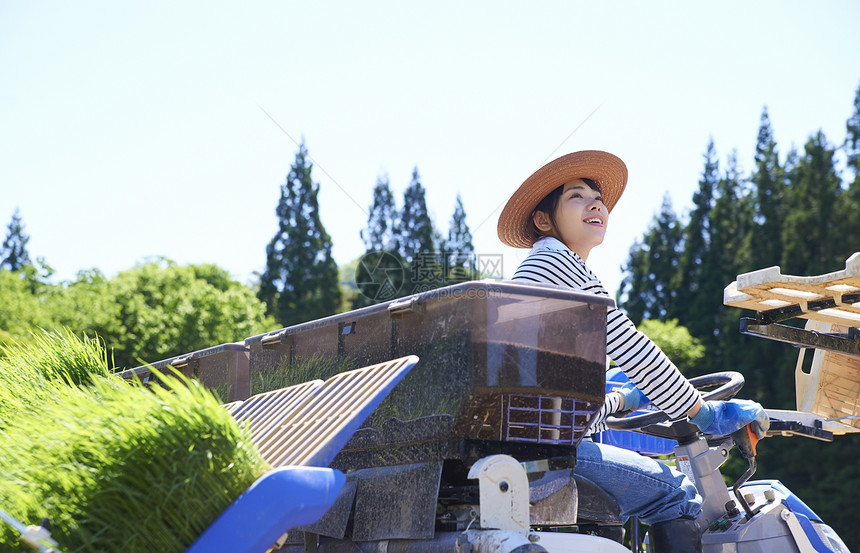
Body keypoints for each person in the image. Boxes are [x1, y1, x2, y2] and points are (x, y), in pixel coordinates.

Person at [496, 150, 769, 553]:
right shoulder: (558, 264)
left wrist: (620, 398)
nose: (596, 204)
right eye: (576, 196)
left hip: (532, 449)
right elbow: (636, 352)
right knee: (678, 495)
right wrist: (704, 413)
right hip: (546, 458)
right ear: (543, 220)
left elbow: (558, 408)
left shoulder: (540, 272)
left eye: (599, 198)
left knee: (624, 503)